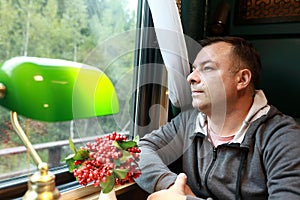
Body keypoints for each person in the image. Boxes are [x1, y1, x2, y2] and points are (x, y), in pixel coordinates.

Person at [134, 36, 300, 200]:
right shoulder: (188, 122)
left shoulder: (283, 137)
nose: (191, 78)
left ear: (242, 79)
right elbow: (136, 153)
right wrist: (173, 187)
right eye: (193, 69)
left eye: (207, 68)